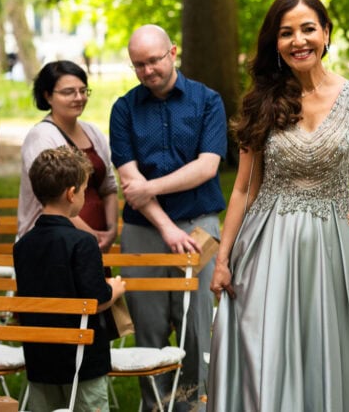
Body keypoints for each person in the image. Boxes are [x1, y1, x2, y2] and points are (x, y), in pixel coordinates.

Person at [206, 0, 349, 411]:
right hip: (268, 244)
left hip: (336, 247)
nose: (298, 40)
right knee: (267, 347)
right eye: (286, 32)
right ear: (275, 42)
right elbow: (242, 189)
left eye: (308, 29)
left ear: (326, 33)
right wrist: (223, 257)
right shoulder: (260, 102)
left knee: (334, 342)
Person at [110, 25, 226, 411]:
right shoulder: (123, 108)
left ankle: (193, 404)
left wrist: (151, 188)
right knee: (150, 326)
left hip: (200, 226)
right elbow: (129, 179)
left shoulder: (207, 101)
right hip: (144, 229)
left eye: (154, 60)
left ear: (173, 52)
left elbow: (207, 167)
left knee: (197, 327)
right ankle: (156, 407)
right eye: (138, 65)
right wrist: (165, 226)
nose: (147, 71)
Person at [15, 146, 126, 412]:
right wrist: (116, 289)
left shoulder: (24, 245)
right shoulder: (83, 242)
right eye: (85, 190)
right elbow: (95, 301)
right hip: (82, 360)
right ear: (71, 193)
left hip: (40, 358)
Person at [17, 60, 119, 252]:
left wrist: (111, 230)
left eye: (83, 90)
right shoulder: (42, 136)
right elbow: (51, 200)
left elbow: (109, 187)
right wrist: (91, 236)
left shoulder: (93, 132)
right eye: (68, 92)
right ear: (48, 96)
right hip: (55, 246)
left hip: (94, 245)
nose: (78, 97)